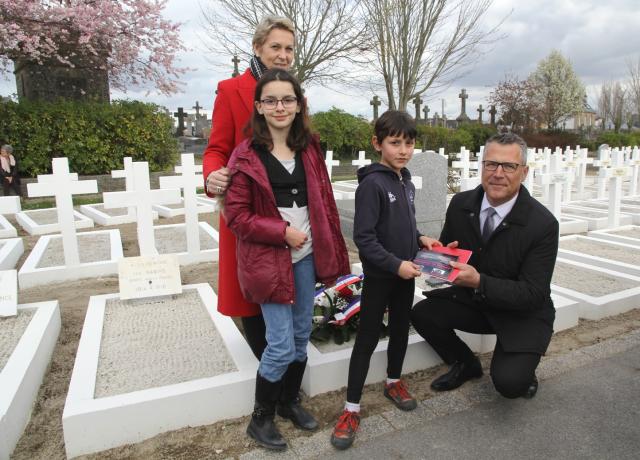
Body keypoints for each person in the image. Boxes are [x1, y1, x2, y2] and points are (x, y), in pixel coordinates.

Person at [224, 69, 350, 451]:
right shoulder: (245, 155)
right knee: (278, 344)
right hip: (268, 261)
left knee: (298, 338)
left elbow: (324, 202)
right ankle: (260, 419)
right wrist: (281, 232)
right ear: (259, 107)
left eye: (287, 100)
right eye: (271, 100)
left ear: (298, 105)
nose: (280, 107)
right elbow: (237, 216)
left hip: (307, 257)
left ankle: (288, 401)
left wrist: (330, 246)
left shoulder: (309, 148)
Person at [410, 132, 559, 400]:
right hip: (477, 300)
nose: (498, 173)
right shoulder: (461, 204)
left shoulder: (543, 224)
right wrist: (438, 257)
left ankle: (523, 366)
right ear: (483, 167)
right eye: (491, 164)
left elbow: (533, 293)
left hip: (522, 312)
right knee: (422, 313)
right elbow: (450, 255)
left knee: (510, 384)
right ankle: (465, 363)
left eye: (509, 166)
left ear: (523, 172)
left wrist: (479, 281)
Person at [330, 111, 440, 451]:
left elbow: (403, 224)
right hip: (382, 276)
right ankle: (351, 409)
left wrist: (422, 239)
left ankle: (394, 381)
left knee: (400, 330)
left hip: (405, 274)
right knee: (365, 340)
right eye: (395, 143)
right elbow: (365, 239)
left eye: (409, 143)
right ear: (378, 144)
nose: (403, 150)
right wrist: (396, 265)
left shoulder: (405, 180)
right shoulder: (372, 184)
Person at [202, 16, 295, 360]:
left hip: (289, 208)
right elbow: (216, 148)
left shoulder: (292, 92)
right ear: (257, 48)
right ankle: (270, 372)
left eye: (289, 49)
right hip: (248, 209)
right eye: (276, 47)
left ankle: (284, 369)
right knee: (253, 293)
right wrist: (212, 176)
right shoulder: (230, 90)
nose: (283, 55)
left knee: (286, 287)